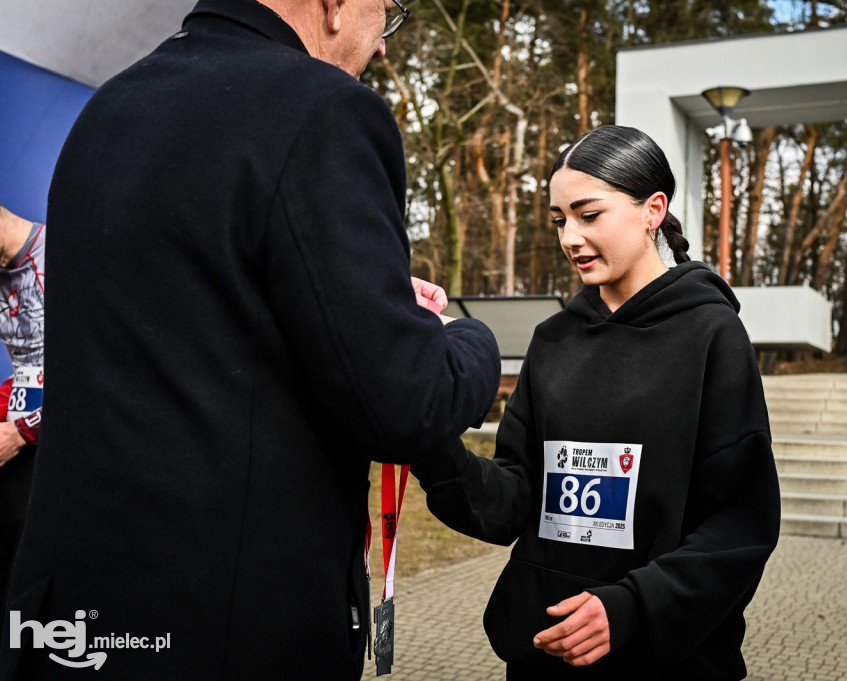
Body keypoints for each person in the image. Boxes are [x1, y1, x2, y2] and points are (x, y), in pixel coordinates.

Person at [1, 0, 499, 678]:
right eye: (385, 14)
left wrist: (360, 300)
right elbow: (403, 402)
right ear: (334, 5)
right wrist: (465, 337)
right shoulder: (322, 109)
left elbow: (194, 316)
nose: (383, 46)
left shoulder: (110, 110)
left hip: (76, 620)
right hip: (224, 626)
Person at [413, 125, 781, 679]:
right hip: (546, 652)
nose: (569, 238)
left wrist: (632, 605)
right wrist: (426, 435)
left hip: (668, 662)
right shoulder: (554, 338)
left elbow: (739, 524)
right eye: (560, 220)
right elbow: (513, 498)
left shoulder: (712, 336)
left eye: (589, 215)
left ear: (652, 210)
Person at [0, 204, 44, 606]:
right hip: (27, 445)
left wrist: (19, 431)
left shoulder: (60, 257)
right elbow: (31, 368)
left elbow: (99, 368)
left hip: (69, 454)